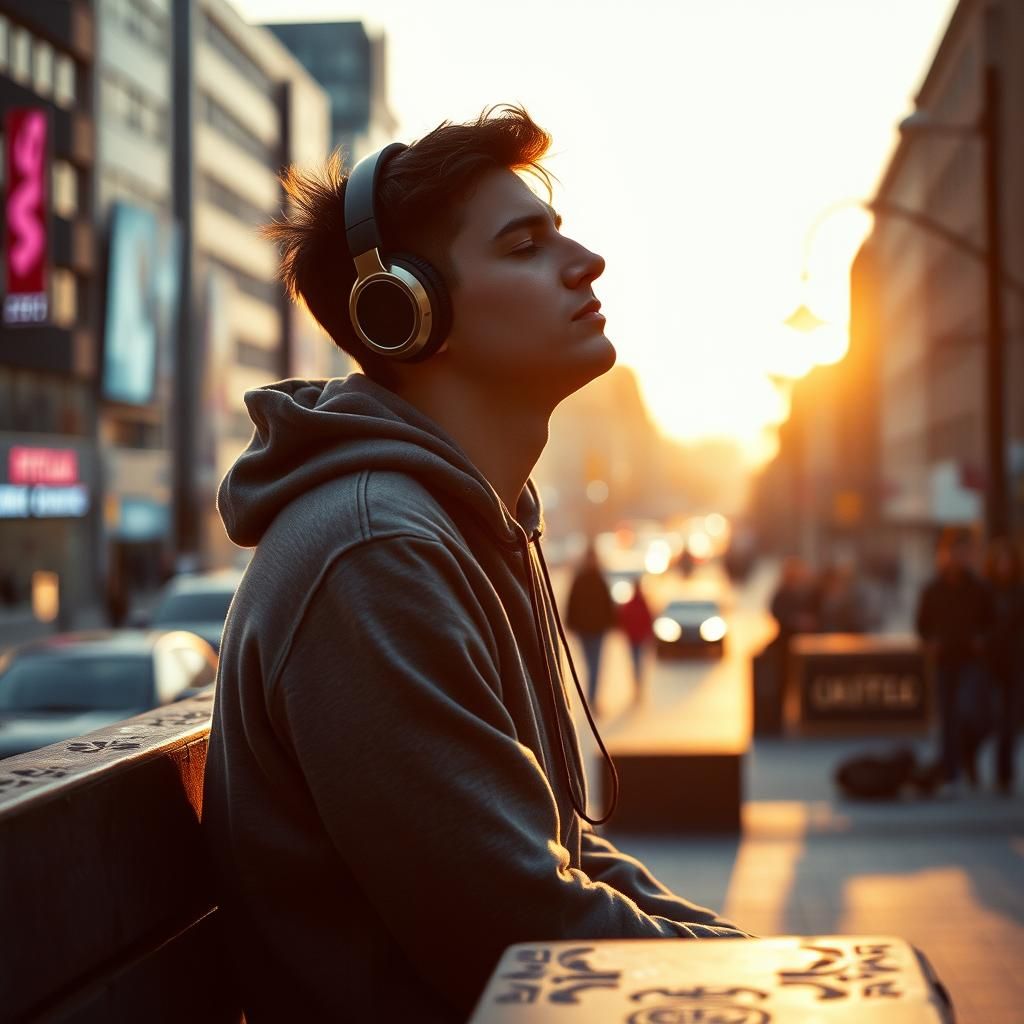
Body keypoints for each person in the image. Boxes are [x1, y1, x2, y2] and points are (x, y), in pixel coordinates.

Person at [202, 106, 747, 1024]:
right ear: (407, 311)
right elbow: (520, 929)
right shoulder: (376, 554)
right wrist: (748, 988)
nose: (586, 262)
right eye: (526, 245)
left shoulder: (457, 524)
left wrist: (748, 966)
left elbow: (561, 851)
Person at [915, 529, 994, 792]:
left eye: (964, 552)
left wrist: (982, 639)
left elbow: (992, 622)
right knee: (948, 718)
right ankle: (951, 771)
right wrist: (931, 641)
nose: (959, 558)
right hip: (944, 659)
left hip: (971, 660)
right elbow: (921, 625)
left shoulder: (979, 588)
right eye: (954, 552)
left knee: (973, 714)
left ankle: (967, 756)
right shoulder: (933, 588)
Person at [982, 538, 1024, 795]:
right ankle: (999, 771)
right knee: (996, 718)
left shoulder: (1020, 591)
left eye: (1009, 561)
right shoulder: (987, 593)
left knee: (1011, 720)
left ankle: (1006, 773)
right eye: (1001, 561)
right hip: (992, 664)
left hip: (1017, 663)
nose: (1005, 566)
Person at [565, 540, 617, 706]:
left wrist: (611, 622)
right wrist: (570, 624)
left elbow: (608, 605)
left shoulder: (599, 579)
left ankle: (593, 698)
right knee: (591, 663)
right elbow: (571, 604)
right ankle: (592, 697)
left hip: (597, 629)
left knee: (595, 664)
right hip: (584, 630)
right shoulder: (581, 579)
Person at [618, 577, 654, 701]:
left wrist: (648, 634)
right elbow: (624, 620)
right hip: (634, 638)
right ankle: (637, 685)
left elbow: (648, 619)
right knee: (637, 662)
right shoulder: (633, 604)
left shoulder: (640, 603)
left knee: (637, 662)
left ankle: (637, 685)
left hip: (637, 638)